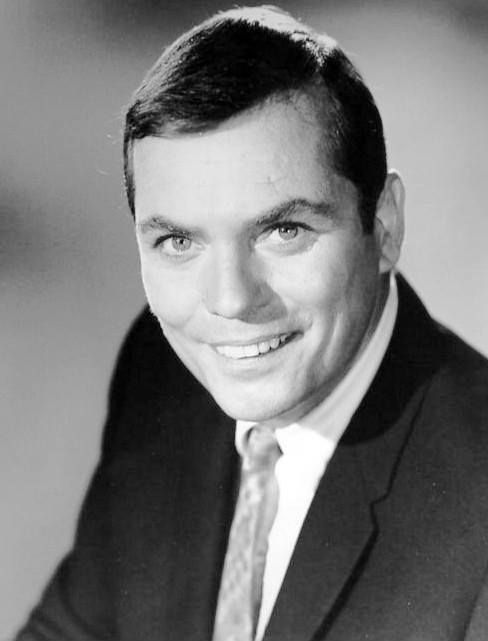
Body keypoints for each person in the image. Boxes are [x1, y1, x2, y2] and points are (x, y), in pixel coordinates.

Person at [16, 6, 488, 641]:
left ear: (384, 227)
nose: (232, 301)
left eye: (283, 230)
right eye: (179, 242)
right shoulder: (161, 377)